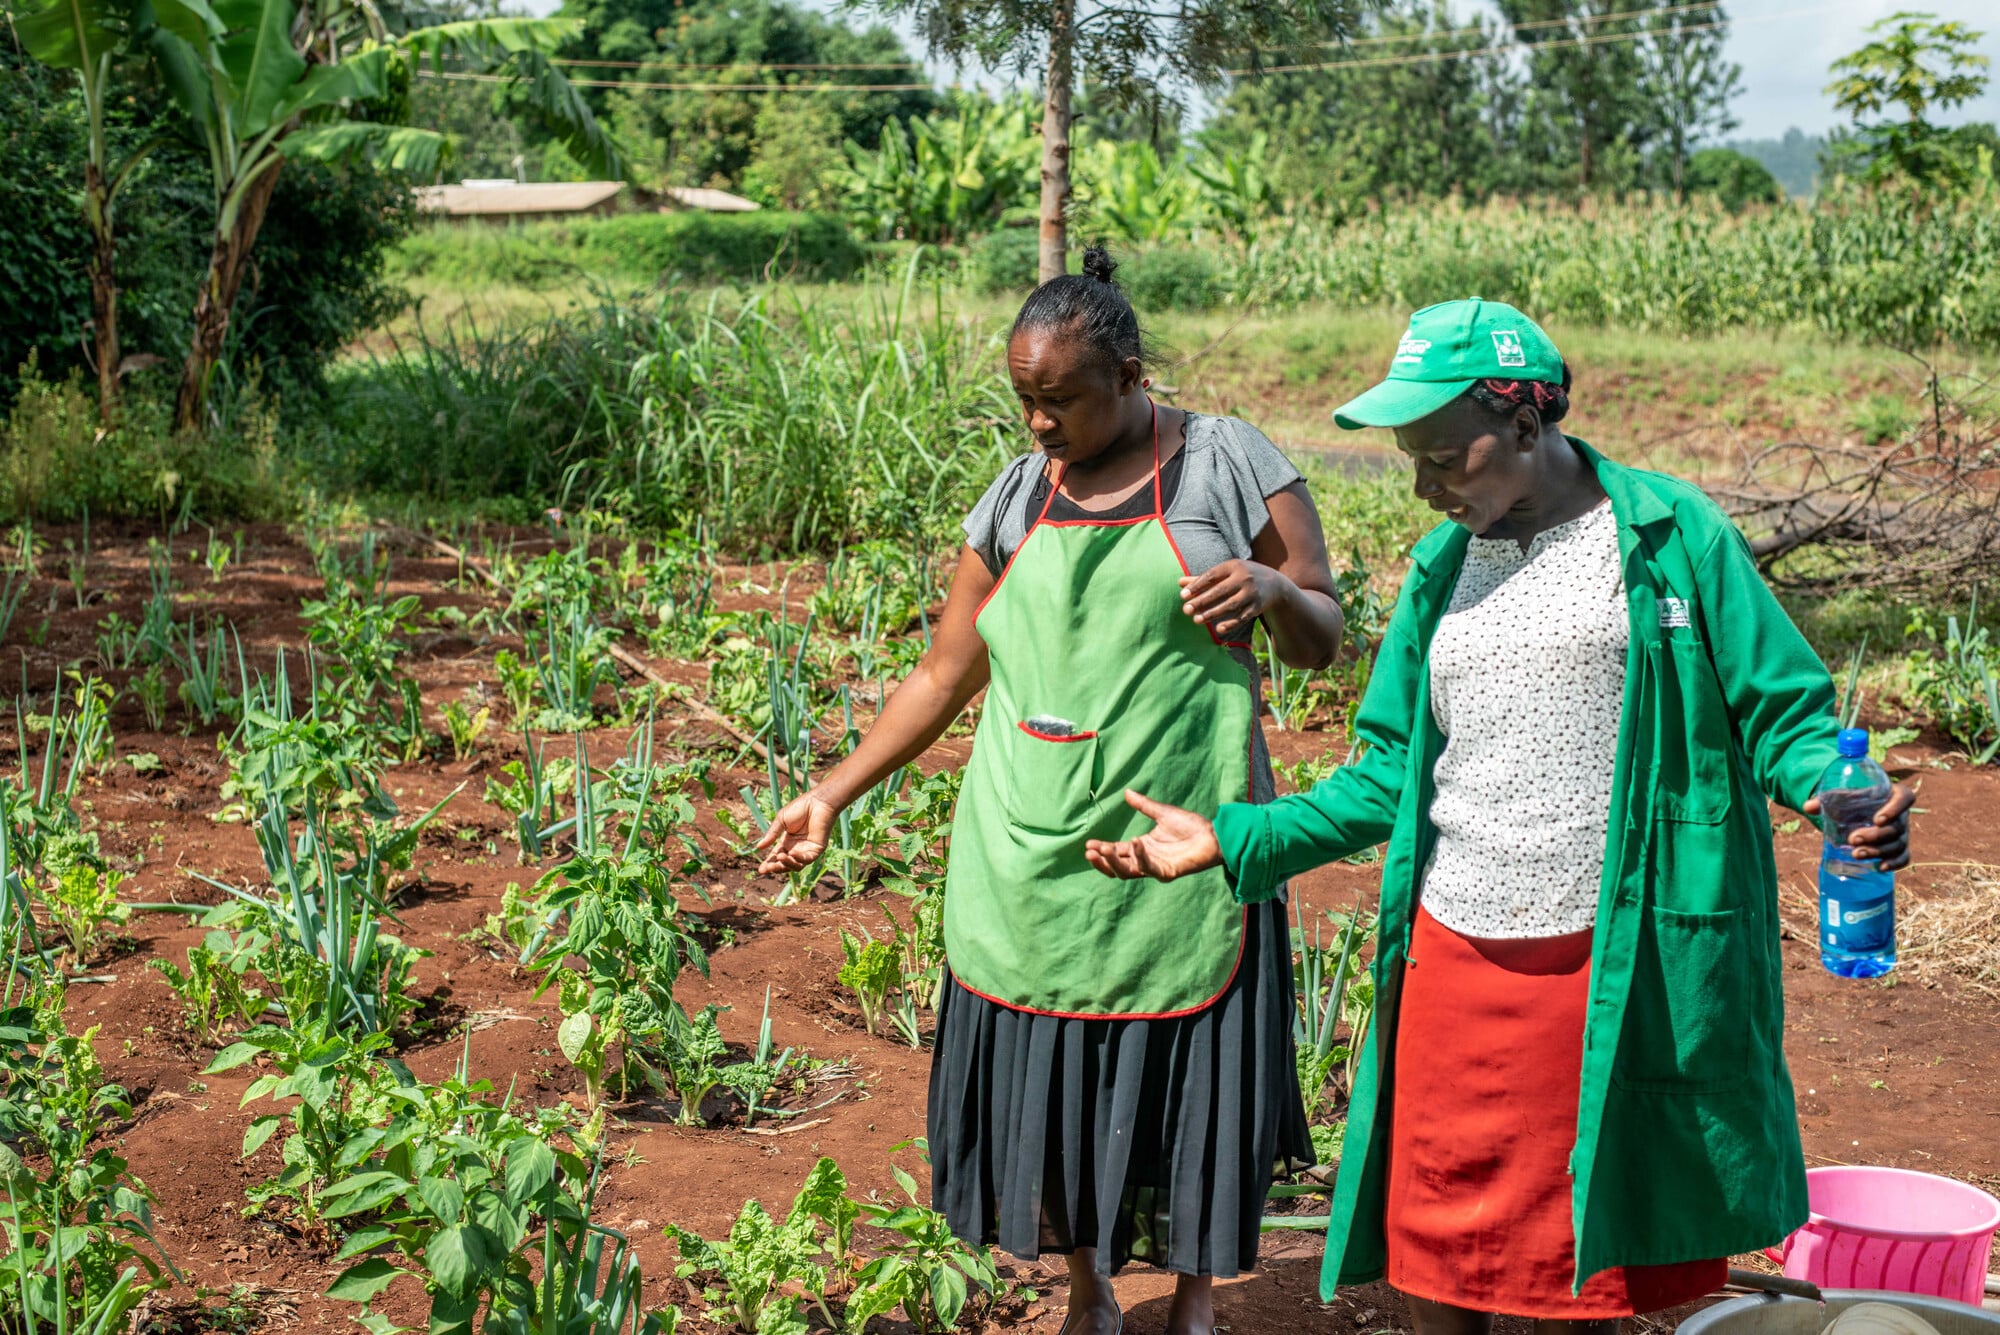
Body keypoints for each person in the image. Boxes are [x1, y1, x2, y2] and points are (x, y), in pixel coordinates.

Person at [1086, 299, 1915, 1335]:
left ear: (1526, 423)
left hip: (1605, 961)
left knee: (1570, 1260)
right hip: (1454, 956)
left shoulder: (1665, 537)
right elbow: (1387, 770)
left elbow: (1780, 712)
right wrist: (1233, 834)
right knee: (1438, 1251)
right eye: (1410, 463)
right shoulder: (1442, 569)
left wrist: (1838, 796)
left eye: (1443, 457)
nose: (1427, 488)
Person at [755, 246, 1346, 1335]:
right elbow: (944, 670)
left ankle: (1196, 1303)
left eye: (1060, 399)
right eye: (1023, 399)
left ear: (1129, 377)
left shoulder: (1225, 466)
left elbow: (1322, 633)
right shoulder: (1020, 495)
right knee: (1067, 1080)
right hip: (1030, 846)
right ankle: (1089, 1293)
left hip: (1185, 834)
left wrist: (1269, 589)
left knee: (1186, 1080)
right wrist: (831, 793)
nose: (1038, 423)